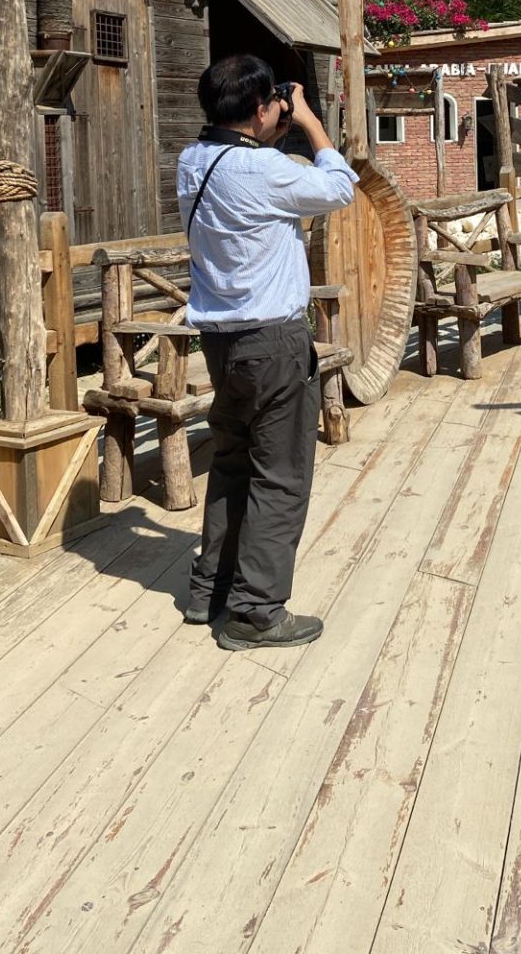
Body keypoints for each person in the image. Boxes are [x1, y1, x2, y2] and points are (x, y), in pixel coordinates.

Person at [176, 53, 357, 652]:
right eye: (272, 103)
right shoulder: (267, 171)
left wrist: (268, 130)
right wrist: (306, 120)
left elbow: (244, 162)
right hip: (273, 343)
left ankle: (211, 590)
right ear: (259, 109)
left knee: (231, 461)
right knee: (279, 477)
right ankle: (256, 614)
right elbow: (340, 186)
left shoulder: (192, 161)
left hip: (221, 343)